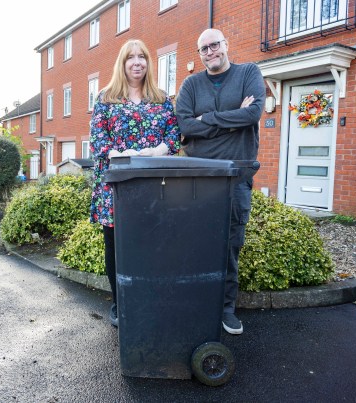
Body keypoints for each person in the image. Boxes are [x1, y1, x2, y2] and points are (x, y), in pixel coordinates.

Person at [175, 28, 265, 335]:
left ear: (225, 45)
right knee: (196, 243)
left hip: (236, 177)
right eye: (204, 49)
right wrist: (230, 119)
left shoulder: (248, 72)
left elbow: (252, 114)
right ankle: (199, 303)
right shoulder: (191, 84)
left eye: (215, 45)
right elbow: (184, 125)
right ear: (199, 54)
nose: (210, 51)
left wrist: (207, 122)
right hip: (198, 177)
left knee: (229, 246)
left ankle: (226, 308)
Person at [89, 39, 181, 327]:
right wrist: (122, 153)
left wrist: (157, 151)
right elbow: (98, 141)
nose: (137, 62)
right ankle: (120, 302)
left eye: (142, 56)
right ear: (123, 62)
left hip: (155, 188)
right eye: (131, 57)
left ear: (148, 63)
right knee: (116, 248)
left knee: (152, 246)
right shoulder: (106, 98)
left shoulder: (162, 99)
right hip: (117, 188)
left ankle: (149, 299)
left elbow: (173, 136)